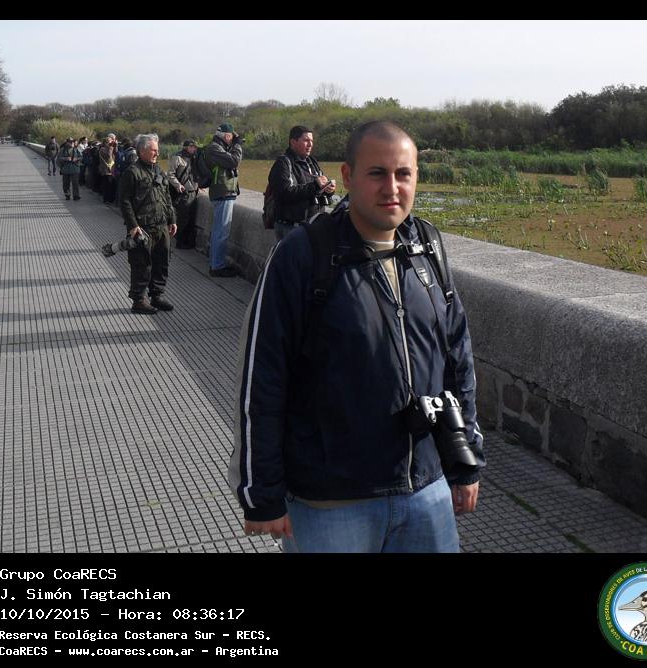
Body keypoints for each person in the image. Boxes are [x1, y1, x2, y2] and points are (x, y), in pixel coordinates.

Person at [227, 121, 485, 553]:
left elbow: (458, 358)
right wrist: (261, 492)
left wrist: (466, 459)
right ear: (347, 176)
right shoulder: (303, 254)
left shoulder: (427, 247)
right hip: (330, 503)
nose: (392, 188)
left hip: (425, 488)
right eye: (377, 173)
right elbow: (262, 377)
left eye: (403, 174)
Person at [119, 133, 178, 314]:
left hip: (161, 226)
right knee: (141, 264)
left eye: (157, 150)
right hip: (142, 228)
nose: (157, 153)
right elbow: (124, 201)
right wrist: (132, 226)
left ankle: (157, 296)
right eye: (153, 150)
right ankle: (139, 300)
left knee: (162, 262)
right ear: (142, 151)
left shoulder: (158, 170)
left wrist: (172, 220)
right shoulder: (132, 172)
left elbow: (166, 197)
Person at [269, 125, 337, 240]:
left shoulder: (312, 162)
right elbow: (284, 193)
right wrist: (315, 186)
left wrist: (328, 190)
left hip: (312, 226)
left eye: (312, 141)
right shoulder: (283, 163)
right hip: (291, 228)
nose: (310, 144)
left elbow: (316, 189)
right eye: (306, 140)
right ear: (293, 142)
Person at [205, 123, 243, 277]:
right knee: (222, 232)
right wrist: (238, 145)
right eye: (232, 136)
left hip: (223, 192)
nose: (233, 139)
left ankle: (215, 263)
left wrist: (234, 145)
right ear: (226, 135)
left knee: (218, 231)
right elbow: (234, 161)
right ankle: (217, 266)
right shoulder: (214, 148)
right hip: (223, 192)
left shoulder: (218, 147)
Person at [168, 139, 200, 249]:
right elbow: (170, 174)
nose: (194, 148)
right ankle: (180, 242)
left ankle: (187, 242)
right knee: (183, 218)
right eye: (192, 146)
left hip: (193, 191)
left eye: (195, 147)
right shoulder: (177, 157)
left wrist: (199, 185)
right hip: (183, 192)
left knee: (191, 218)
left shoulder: (194, 158)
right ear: (186, 147)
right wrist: (178, 185)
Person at [98, 133, 118, 203]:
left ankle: (111, 199)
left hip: (111, 169)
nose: (111, 143)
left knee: (112, 185)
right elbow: (108, 157)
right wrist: (111, 147)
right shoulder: (102, 149)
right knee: (107, 184)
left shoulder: (111, 148)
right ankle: (106, 199)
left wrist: (115, 146)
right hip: (106, 169)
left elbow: (116, 154)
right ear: (105, 142)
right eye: (110, 142)